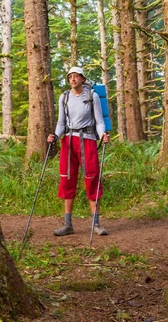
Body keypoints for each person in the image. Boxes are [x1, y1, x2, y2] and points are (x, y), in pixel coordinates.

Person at [48, 66, 110, 236]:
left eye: (76, 76)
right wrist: (55, 135)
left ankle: (96, 223)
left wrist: (102, 134)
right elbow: (61, 123)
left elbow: (99, 121)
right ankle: (68, 224)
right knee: (67, 178)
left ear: (83, 79)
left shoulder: (92, 96)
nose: (73, 79)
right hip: (68, 141)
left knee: (92, 177)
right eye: (70, 77)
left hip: (88, 140)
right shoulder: (65, 97)